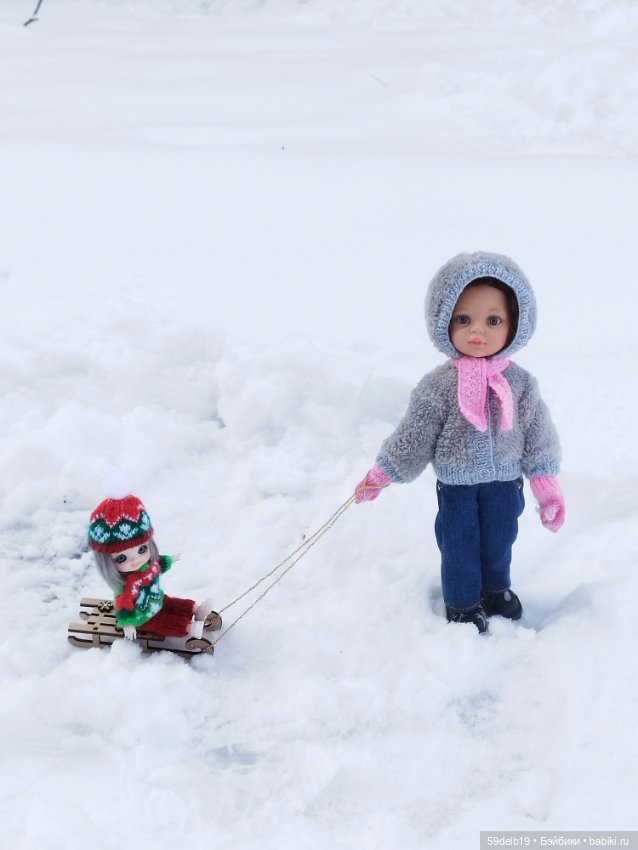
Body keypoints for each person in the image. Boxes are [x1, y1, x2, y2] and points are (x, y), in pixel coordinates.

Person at [354, 251, 564, 633]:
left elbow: (539, 435)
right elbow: (413, 436)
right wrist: (382, 473)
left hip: (505, 484)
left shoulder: (520, 384)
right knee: (459, 545)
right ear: (442, 321)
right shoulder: (438, 386)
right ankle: (463, 602)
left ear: (517, 324)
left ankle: (496, 588)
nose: (477, 331)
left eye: (493, 320)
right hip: (457, 490)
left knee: (501, 539)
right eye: (463, 319)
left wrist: (546, 485)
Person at [88, 493, 214, 640]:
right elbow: (123, 607)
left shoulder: (149, 567)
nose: (135, 560)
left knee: (174, 604)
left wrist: (171, 559)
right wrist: (128, 624)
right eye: (121, 558)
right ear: (107, 562)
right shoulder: (127, 587)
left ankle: (197, 611)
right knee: (164, 621)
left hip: (157, 600)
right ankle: (189, 628)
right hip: (142, 616)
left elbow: (159, 564)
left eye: (142, 549)